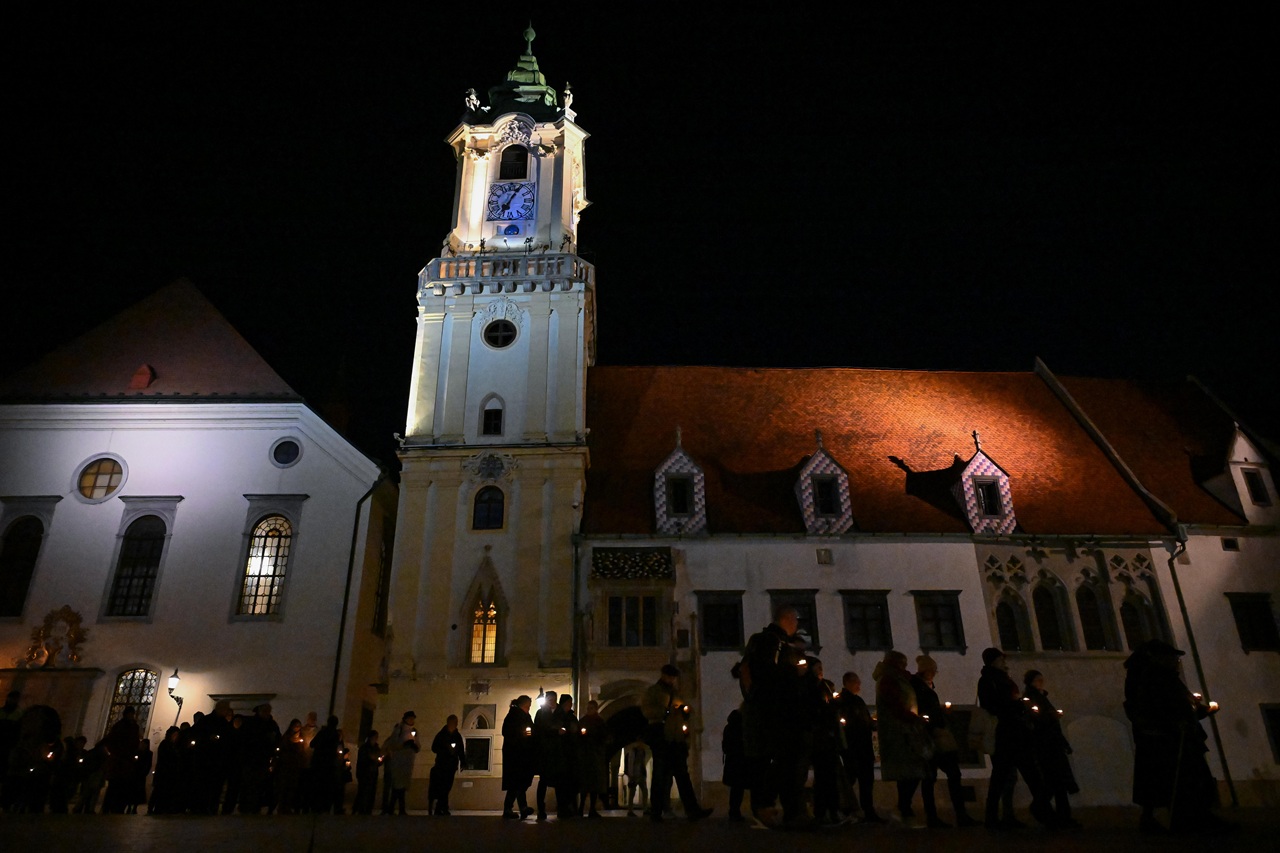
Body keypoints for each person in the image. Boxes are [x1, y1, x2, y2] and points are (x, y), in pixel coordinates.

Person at [1123, 639, 1233, 834]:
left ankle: (1192, 817)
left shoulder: (1160, 677)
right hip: (1167, 739)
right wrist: (1174, 723)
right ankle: (1187, 819)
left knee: (1174, 780)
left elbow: (1180, 708)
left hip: (1172, 736)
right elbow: (1157, 708)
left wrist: (1201, 711)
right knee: (1174, 780)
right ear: (1158, 658)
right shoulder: (1153, 678)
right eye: (1172, 657)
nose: (1176, 661)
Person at [740, 605, 804, 828]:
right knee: (777, 761)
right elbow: (767, 673)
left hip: (768, 711)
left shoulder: (772, 642)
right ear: (788, 619)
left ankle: (786, 811)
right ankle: (767, 809)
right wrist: (793, 676)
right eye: (795, 620)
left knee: (776, 762)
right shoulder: (773, 642)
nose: (797, 625)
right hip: (773, 712)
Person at [978, 647, 1051, 829]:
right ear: (994, 660)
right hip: (1006, 733)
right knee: (1008, 776)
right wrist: (1015, 705)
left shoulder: (1002, 677)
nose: (1004, 661)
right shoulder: (988, 680)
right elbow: (991, 704)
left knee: (1017, 776)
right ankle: (996, 817)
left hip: (1014, 732)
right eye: (1001, 659)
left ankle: (1040, 812)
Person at [641, 664, 712, 822]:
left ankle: (692, 809)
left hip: (676, 739)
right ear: (663, 675)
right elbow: (647, 711)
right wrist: (666, 711)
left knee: (683, 775)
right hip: (661, 738)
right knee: (659, 775)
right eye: (669, 676)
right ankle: (656, 811)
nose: (672, 679)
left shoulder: (675, 693)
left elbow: (686, 709)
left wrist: (685, 711)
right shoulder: (653, 691)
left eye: (673, 677)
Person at [913, 655, 978, 827]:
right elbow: (925, 712)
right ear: (926, 671)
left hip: (934, 735)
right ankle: (950, 816)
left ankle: (940, 816)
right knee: (940, 776)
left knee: (934, 777)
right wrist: (935, 721)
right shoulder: (921, 690)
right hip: (932, 737)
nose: (934, 674)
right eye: (932, 671)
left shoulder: (924, 688)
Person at [874, 650, 931, 828]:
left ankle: (903, 809)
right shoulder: (889, 680)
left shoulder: (898, 678)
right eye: (903, 663)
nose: (905, 667)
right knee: (910, 770)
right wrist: (914, 718)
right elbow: (895, 705)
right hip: (900, 730)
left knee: (910, 771)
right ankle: (903, 809)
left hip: (905, 728)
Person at [1022, 670, 1080, 828]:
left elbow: (1051, 724)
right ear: (1031, 682)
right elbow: (1037, 719)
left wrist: (1063, 743)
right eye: (1037, 680)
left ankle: (1061, 816)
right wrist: (1051, 717)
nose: (1041, 683)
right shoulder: (1031, 699)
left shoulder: (1042, 698)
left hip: (1052, 744)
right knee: (1055, 781)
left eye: (1042, 680)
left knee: (1057, 782)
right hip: (1045, 745)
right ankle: (1047, 811)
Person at [835, 671, 883, 823]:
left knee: (864, 780)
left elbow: (865, 722)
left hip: (860, 746)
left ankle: (863, 810)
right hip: (855, 746)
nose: (859, 685)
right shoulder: (846, 701)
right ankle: (850, 808)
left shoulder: (855, 701)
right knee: (856, 778)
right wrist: (868, 725)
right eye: (856, 682)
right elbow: (852, 724)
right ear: (848, 682)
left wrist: (873, 723)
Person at [101, 706, 142, 813]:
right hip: (119, 760)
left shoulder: (134, 727)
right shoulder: (120, 726)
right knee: (114, 785)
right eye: (129, 714)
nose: (131, 716)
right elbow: (113, 740)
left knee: (124, 785)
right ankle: (108, 807)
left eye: (132, 714)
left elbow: (135, 742)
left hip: (127, 761)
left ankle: (119, 807)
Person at [501, 696, 536, 820]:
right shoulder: (514, 716)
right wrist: (523, 734)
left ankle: (522, 808)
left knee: (519, 783)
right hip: (516, 755)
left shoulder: (520, 716)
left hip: (521, 754)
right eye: (528, 706)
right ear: (524, 705)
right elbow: (507, 732)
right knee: (516, 783)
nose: (529, 709)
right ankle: (509, 808)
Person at [428, 714, 467, 816]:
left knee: (447, 787)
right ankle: (441, 808)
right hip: (442, 764)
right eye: (453, 722)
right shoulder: (441, 735)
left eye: (456, 722)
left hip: (451, 765)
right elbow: (434, 748)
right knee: (443, 787)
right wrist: (446, 749)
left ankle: (442, 807)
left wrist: (462, 761)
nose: (455, 724)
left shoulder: (457, 736)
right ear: (449, 723)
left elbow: (461, 750)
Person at [576, 700, 609, 817]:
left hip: (594, 756)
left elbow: (603, 737)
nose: (588, 710)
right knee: (585, 783)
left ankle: (591, 809)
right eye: (588, 708)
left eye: (591, 708)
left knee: (594, 784)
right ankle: (581, 808)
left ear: (595, 709)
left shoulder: (599, 722)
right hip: (585, 756)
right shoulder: (583, 721)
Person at [382, 711, 419, 815]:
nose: (412, 720)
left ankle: (393, 808)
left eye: (413, 718)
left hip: (408, 762)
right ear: (406, 718)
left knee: (401, 786)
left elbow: (418, 744)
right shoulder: (399, 728)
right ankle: (397, 808)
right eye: (410, 718)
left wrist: (414, 746)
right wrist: (404, 745)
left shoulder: (414, 730)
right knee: (397, 785)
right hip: (398, 761)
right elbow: (393, 743)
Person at [532, 691, 559, 820]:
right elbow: (538, 730)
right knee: (543, 781)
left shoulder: (559, 713)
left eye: (553, 699)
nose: (551, 702)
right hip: (544, 752)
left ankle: (562, 807)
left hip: (557, 753)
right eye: (549, 700)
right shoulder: (541, 713)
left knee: (558, 781)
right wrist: (553, 729)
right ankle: (541, 809)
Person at [274, 719, 307, 814]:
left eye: (299, 726)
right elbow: (282, 750)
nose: (297, 728)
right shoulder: (287, 737)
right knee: (284, 786)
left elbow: (302, 751)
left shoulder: (301, 737)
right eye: (296, 725)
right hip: (285, 766)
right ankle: (281, 807)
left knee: (292, 787)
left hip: (295, 766)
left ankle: (288, 807)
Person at [721, 709, 748, 821]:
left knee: (735, 789)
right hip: (739, 762)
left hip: (732, 762)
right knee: (738, 788)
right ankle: (734, 811)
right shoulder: (741, 729)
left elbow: (725, 747)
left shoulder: (728, 728)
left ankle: (734, 810)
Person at [354, 730, 383, 815]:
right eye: (375, 737)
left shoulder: (376, 748)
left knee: (371, 791)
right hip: (364, 772)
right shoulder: (364, 748)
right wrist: (371, 759)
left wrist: (380, 760)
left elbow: (379, 759)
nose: (376, 739)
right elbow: (362, 760)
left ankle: (368, 809)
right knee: (362, 791)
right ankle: (360, 809)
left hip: (373, 773)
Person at [622, 739, 650, 817]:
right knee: (632, 793)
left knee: (644, 791)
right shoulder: (633, 752)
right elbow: (631, 764)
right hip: (635, 775)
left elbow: (642, 763)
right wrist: (631, 775)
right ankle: (630, 810)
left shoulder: (641, 752)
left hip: (640, 775)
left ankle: (644, 809)